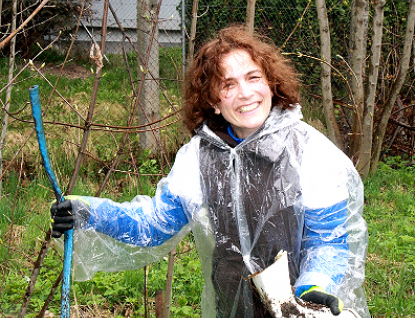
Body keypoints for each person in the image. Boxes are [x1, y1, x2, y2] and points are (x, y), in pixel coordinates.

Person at [51, 25, 369, 318]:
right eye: (228, 85)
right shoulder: (198, 157)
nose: (245, 93)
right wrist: (88, 212)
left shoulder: (309, 151)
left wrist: (314, 287)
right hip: (231, 306)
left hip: (305, 308)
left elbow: (327, 239)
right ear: (213, 101)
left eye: (253, 78)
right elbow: (155, 226)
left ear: (271, 83)